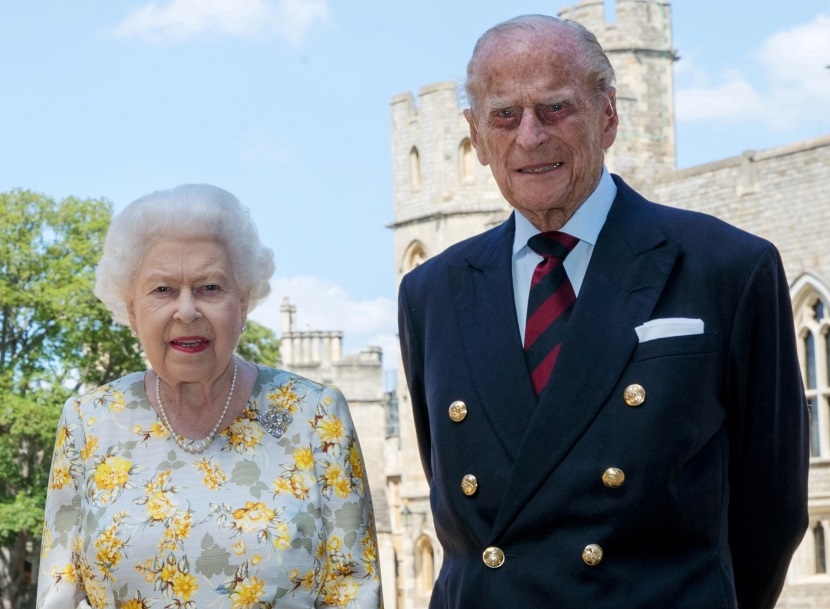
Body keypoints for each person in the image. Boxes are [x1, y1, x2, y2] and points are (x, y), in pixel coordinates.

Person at [397, 15, 808, 609]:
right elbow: (452, 493)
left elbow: (771, 508)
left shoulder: (729, 268)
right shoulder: (431, 293)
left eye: (556, 108)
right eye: (504, 115)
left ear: (608, 116)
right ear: (476, 138)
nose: (530, 137)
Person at [37, 184, 382, 609]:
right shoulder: (87, 422)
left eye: (210, 288)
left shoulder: (314, 415)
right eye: (162, 290)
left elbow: (354, 590)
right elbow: (59, 593)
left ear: (244, 299)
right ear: (131, 309)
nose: (186, 311)